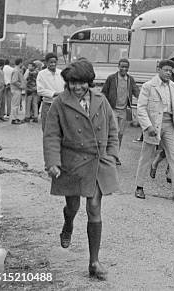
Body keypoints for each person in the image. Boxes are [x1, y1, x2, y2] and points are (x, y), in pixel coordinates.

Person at [43, 60, 119, 280]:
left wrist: (112, 155)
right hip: (73, 162)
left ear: (89, 82)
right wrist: (53, 162)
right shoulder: (59, 103)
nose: (77, 88)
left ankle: (94, 262)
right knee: (73, 205)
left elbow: (112, 129)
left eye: (82, 83)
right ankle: (68, 224)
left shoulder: (101, 100)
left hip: (97, 162)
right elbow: (51, 135)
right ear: (67, 83)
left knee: (94, 207)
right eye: (72, 83)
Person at [134, 59, 174, 202]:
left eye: (170, 70)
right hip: (154, 126)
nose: (168, 73)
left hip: (169, 124)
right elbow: (140, 108)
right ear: (158, 69)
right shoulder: (149, 86)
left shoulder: (172, 86)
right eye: (165, 70)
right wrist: (148, 126)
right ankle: (139, 187)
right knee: (146, 156)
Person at [101, 58, 140, 165]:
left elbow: (136, 91)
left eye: (126, 67)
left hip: (123, 110)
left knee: (120, 134)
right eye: (122, 66)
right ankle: (108, 155)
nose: (124, 69)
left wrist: (144, 98)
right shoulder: (111, 78)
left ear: (128, 68)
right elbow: (103, 92)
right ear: (118, 67)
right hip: (112, 109)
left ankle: (115, 156)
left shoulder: (130, 79)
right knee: (113, 132)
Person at [37, 53, 65, 131]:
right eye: (51, 62)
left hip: (60, 104)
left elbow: (66, 86)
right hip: (47, 104)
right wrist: (55, 94)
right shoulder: (41, 74)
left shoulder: (61, 73)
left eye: (54, 62)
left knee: (60, 128)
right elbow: (40, 90)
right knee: (47, 128)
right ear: (46, 63)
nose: (53, 64)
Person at [10, 58, 25, 124]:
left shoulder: (18, 70)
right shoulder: (16, 70)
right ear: (20, 63)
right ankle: (14, 119)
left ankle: (15, 117)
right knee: (15, 105)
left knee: (16, 104)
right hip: (16, 90)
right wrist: (21, 85)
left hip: (17, 89)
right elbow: (14, 81)